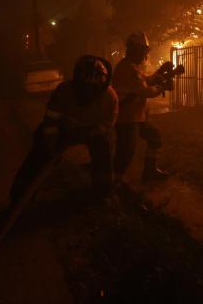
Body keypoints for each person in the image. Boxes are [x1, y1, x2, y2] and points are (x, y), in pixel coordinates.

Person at [9, 55, 117, 205]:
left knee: (105, 153)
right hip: (62, 128)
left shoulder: (110, 97)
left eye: (93, 88)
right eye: (84, 87)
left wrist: (90, 133)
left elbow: (107, 124)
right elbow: (50, 122)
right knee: (39, 153)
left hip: (91, 131)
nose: (88, 92)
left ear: (102, 86)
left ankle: (102, 193)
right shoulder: (64, 91)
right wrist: (52, 145)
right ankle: (21, 195)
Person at [112, 32, 172, 184]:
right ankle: (113, 183)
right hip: (127, 118)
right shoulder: (127, 69)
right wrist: (162, 86)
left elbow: (145, 81)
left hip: (137, 117)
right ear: (133, 50)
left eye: (144, 51)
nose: (143, 55)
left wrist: (160, 72)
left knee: (155, 137)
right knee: (126, 152)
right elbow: (144, 90)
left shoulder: (131, 66)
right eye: (142, 51)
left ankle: (149, 172)